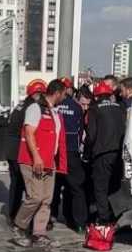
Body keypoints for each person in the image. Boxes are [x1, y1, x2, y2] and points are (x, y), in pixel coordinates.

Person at [13, 80, 68, 247]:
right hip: (33, 161)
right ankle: (18, 227)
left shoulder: (55, 112)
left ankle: (39, 233)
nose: (65, 96)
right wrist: (36, 157)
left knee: (46, 199)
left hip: (49, 162)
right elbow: (29, 133)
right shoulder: (35, 108)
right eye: (64, 93)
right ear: (57, 93)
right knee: (35, 197)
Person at [86, 79, 127, 225]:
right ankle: (117, 217)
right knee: (115, 186)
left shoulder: (94, 109)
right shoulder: (120, 107)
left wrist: (87, 153)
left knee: (100, 187)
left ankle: (104, 220)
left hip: (102, 153)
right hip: (119, 154)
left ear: (96, 96)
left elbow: (91, 134)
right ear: (110, 95)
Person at [53, 79, 88, 232]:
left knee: (54, 186)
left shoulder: (53, 106)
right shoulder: (76, 107)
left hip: (55, 152)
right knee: (76, 188)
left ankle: (50, 217)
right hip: (72, 151)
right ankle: (79, 223)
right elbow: (80, 131)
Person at [2, 84, 38, 223]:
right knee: (20, 185)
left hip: (11, 149)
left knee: (15, 184)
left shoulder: (21, 105)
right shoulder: (30, 107)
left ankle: (14, 214)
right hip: (18, 149)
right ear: (36, 94)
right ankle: (17, 216)